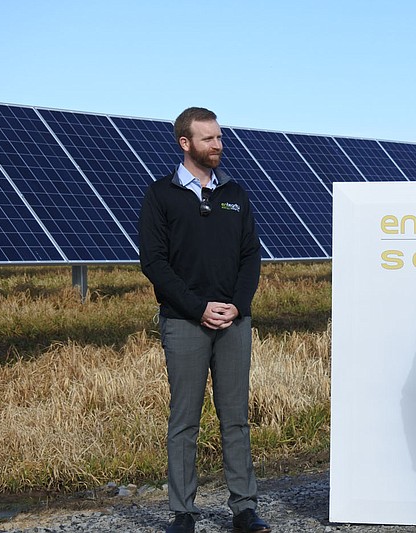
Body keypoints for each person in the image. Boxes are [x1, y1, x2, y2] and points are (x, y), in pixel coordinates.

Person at [139, 107, 270, 533]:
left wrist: (237, 303)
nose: (218, 145)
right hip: (185, 323)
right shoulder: (161, 195)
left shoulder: (235, 193)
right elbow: (154, 263)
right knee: (185, 420)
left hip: (234, 323)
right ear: (185, 143)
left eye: (219, 137)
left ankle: (244, 508)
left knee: (235, 417)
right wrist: (199, 308)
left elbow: (251, 254)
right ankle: (183, 513)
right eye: (209, 139)